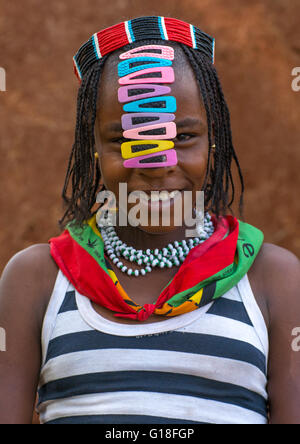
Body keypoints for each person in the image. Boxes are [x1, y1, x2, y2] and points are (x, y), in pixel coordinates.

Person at [0, 16, 299, 425]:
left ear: (216, 139)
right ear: (94, 147)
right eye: (127, 141)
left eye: (182, 138)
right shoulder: (36, 281)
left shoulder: (273, 281)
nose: (158, 166)